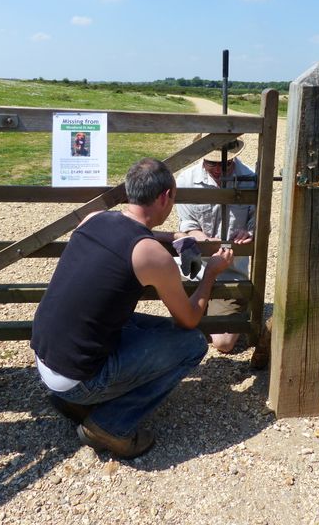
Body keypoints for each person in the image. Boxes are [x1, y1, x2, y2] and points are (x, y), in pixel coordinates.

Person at [31, 157, 233, 459]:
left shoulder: (94, 218)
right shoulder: (150, 256)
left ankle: (77, 403)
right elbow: (190, 319)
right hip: (77, 377)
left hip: (47, 361)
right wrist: (211, 274)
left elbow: (133, 231)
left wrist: (175, 236)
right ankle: (110, 425)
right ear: (165, 197)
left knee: (136, 323)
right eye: (173, 198)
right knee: (191, 344)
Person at [176, 136, 255, 353]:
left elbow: (258, 219)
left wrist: (250, 230)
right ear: (202, 158)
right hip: (194, 269)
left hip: (230, 273)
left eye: (226, 163)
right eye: (213, 164)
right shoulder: (186, 180)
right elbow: (187, 224)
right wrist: (200, 237)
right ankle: (211, 309)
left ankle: (238, 305)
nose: (219, 170)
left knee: (223, 344)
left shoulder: (250, 177)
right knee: (186, 328)